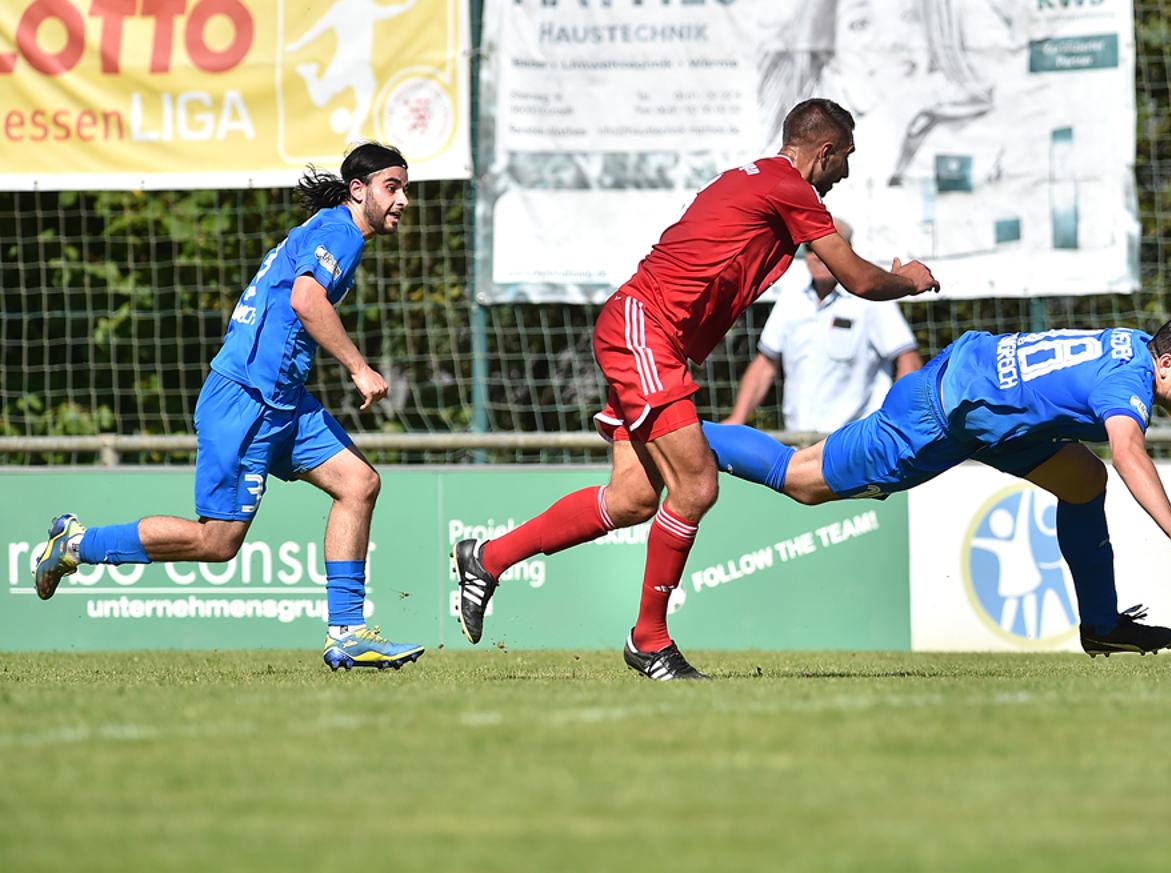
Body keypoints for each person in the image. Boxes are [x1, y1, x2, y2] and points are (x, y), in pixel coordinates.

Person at [451, 98, 939, 680]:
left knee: (632, 499)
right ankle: (649, 640)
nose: (847, 174)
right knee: (697, 483)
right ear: (825, 151)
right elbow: (856, 277)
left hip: (648, 334)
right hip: (645, 331)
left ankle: (488, 557)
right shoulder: (790, 188)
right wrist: (909, 280)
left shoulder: (756, 179)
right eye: (846, 159)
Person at [700, 315, 1171, 656]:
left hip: (988, 411)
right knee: (802, 480)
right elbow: (1130, 451)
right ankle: (681, 429)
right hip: (938, 416)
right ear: (1166, 363)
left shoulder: (1140, 351)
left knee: (1083, 480)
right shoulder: (1126, 382)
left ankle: (1102, 626)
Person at [31, 143, 425, 672]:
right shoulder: (341, 233)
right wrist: (359, 367)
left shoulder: (330, 228)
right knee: (217, 542)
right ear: (359, 190)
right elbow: (306, 300)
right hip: (247, 399)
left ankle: (348, 633)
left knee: (359, 484)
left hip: (283, 400)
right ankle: (77, 544)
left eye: (405, 189)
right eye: (392, 188)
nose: (403, 200)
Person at [724, 219, 923, 432]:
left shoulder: (871, 299)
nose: (818, 256)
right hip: (798, 441)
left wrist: (898, 419)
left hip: (856, 441)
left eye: (830, 247)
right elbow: (765, 364)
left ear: (849, 251)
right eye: (811, 248)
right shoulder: (791, 299)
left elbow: (907, 358)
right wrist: (737, 419)